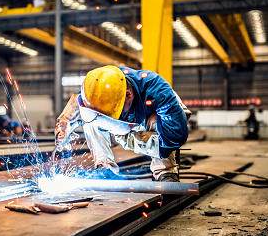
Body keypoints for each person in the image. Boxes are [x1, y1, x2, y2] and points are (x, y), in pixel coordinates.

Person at [55, 65, 191, 182]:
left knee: (155, 121)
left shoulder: (157, 91)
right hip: (129, 122)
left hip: (155, 119)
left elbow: (175, 136)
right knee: (92, 118)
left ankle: (165, 171)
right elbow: (78, 100)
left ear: (128, 95)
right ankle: (104, 167)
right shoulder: (103, 86)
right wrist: (65, 120)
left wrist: (132, 139)